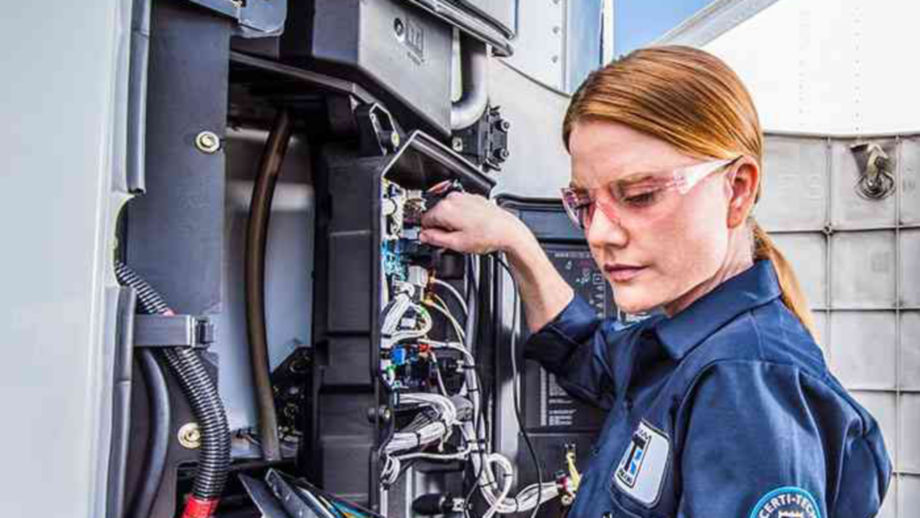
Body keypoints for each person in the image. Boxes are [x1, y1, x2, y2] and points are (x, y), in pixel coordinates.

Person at [419, 46, 891, 518]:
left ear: (738, 189)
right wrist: (515, 241)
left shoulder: (744, 380)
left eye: (640, 196)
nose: (599, 235)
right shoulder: (682, 345)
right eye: (585, 203)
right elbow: (583, 350)